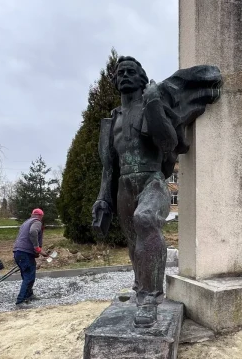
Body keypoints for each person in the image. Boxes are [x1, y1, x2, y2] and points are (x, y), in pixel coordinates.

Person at [92, 56, 221, 326]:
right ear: (114, 81)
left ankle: (151, 299)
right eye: (120, 72)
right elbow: (108, 167)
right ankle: (140, 289)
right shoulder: (111, 121)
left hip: (151, 179)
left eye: (131, 71)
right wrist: (103, 198)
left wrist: (152, 105)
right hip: (123, 186)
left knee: (146, 220)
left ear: (141, 78)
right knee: (133, 243)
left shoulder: (152, 101)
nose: (125, 75)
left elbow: (168, 142)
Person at [13, 208, 44, 306]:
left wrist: (38, 252)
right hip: (24, 253)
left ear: (32, 214)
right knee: (29, 276)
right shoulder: (37, 222)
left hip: (18, 252)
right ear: (41, 216)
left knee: (27, 275)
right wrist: (37, 247)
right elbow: (33, 232)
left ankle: (29, 295)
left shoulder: (26, 222)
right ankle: (20, 301)